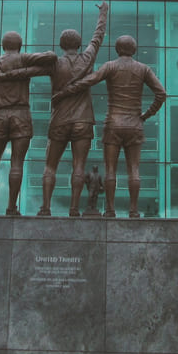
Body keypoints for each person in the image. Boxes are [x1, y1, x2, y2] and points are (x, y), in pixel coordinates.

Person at [0, 2, 109, 216]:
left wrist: (4, 76)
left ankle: (45, 208)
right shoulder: (87, 58)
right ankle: (74, 209)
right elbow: (98, 36)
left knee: (50, 165)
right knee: (79, 165)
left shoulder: (55, 63)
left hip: (59, 120)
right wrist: (103, 12)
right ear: (79, 43)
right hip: (83, 120)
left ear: (61, 45)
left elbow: (27, 71)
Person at [52, 35, 166, 218]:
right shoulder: (143, 69)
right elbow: (161, 94)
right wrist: (146, 115)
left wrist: (65, 91)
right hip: (134, 123)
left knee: (110, 169)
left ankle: (111, 210)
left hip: (113, 123)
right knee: (134, 169)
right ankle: (134, 211)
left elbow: (89, 80)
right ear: (134, 49)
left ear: (117, 49)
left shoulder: (110, 66)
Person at [0, 31, 57, 215]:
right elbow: (51, 57)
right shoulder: (23, 58)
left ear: (3, 46)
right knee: (17, 163)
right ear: (19, 46)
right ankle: (11, 207)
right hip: (21, 114)